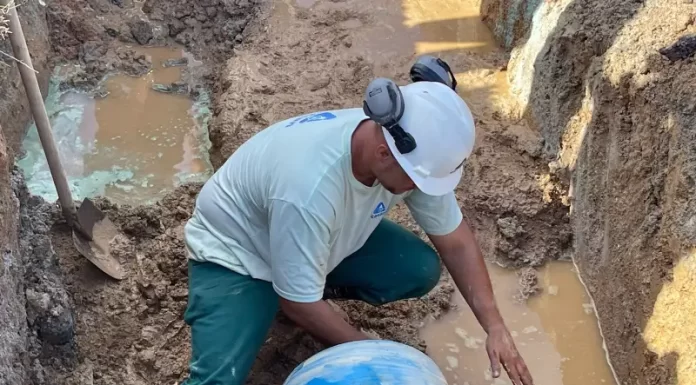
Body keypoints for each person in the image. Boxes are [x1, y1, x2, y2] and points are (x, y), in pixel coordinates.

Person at [181, 59, 534, 385]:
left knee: (416, 269)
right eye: (416, 181)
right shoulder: (309, 187)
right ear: (383, 154)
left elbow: (455, 241)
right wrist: (377, 357)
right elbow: (297, 303)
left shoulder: (404, 148)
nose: (419, 190)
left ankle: (306, 282)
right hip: (238, 255)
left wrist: (495, 326)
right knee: (218, 380)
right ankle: (276, 295)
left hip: (316, 234)